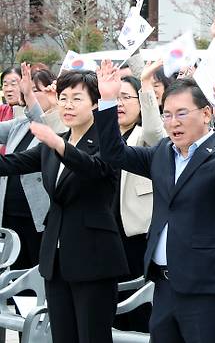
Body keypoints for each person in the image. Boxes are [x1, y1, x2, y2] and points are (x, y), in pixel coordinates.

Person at [95, 69, 215, 342]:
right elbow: (113, 153)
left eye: (181, 113)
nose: (172, 122)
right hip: (165, 286)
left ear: (205, 113)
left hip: (206, 288)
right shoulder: (162, 152)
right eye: (167, 114)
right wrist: (107, 100)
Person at [0, 69, 128, 343]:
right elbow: (12, 163)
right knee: (62, 337)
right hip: (56, 260)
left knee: (92, 337)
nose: (68, 105)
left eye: (77, 98)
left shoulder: (107, 142)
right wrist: (57, 143)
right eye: (63, 98)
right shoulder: (53, 142)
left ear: (95, 103)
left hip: (93, 259)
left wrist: (59, 144)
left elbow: (93, 168)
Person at [110, 60, 167, 333]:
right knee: (113, 309)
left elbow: (157, 133)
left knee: (139, 309)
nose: (120, 103)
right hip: (105, 232)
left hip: (136, 232)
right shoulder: (104, 134)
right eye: (115, 97)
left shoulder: (144, 135)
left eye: (125, 97)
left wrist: (145, 85)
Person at [0, 64, 64, 270]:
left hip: (38, 215)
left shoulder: (60, 124)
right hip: (10, 213)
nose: (29, 93)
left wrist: (28, 95)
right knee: (15, 272)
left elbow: (44, 124)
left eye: (36, 90)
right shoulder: (20, 124)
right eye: (28, 89)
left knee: (38, 271)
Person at [0, 67, 23, 154]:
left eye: (14, 84)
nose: (9, 89)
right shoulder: (2, 110)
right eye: (5, 85)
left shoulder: (32, 113)